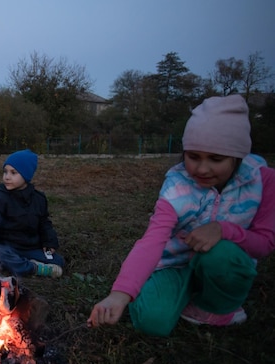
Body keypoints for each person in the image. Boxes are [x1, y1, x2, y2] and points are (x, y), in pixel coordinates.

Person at [88, 95, 275, 337]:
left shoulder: (263, 180)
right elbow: (152, 241)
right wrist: (119, 295)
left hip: (221, 262)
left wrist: (223, 230)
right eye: (193, 156)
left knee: (222, 255)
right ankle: (181, 293)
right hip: (174, 265)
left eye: (216, 159)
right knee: (151, 322)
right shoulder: (176, 186)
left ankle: (215, 307)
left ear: (238, 157)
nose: (202, 169)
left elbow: (264, 244)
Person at [0, 149, 65, 278]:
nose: (7, 177)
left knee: (58, 261)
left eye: (13, 173)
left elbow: (44, 222)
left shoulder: (38, 199)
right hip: (7, 246)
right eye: (5, 172)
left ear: (26, 175)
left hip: (30, 247)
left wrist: (49, 241)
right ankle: (33, 268)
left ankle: (25, 264)